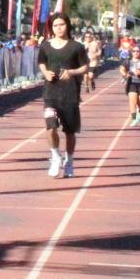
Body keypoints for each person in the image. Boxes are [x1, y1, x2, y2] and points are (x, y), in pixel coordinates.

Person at [38, 13, 90, 178]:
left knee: (69, 132)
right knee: (50, 127)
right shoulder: (45, 46)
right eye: (55, 25)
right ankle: (55, 156)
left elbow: (85, 67)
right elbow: (41, 62)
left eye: (61, 24)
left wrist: (71, 72)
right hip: (50, 94)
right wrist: (45, 73)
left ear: (67, 25)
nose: (59, 28)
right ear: (51, 28)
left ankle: (69, 161)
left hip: (70, 94)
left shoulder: (77, 47)